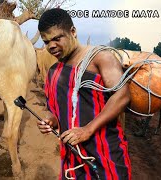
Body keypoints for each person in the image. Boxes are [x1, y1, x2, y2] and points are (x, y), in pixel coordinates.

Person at [36, 8, 131, 179]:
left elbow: (122, 96)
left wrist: (87, 130)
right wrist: (50, 121)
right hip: (71, 161)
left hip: (106, 157)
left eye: (57, 38)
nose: (51, 46)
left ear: (73, 31)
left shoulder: (100, 58)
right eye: (46, 41)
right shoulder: (53, 72)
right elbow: (55, 110)